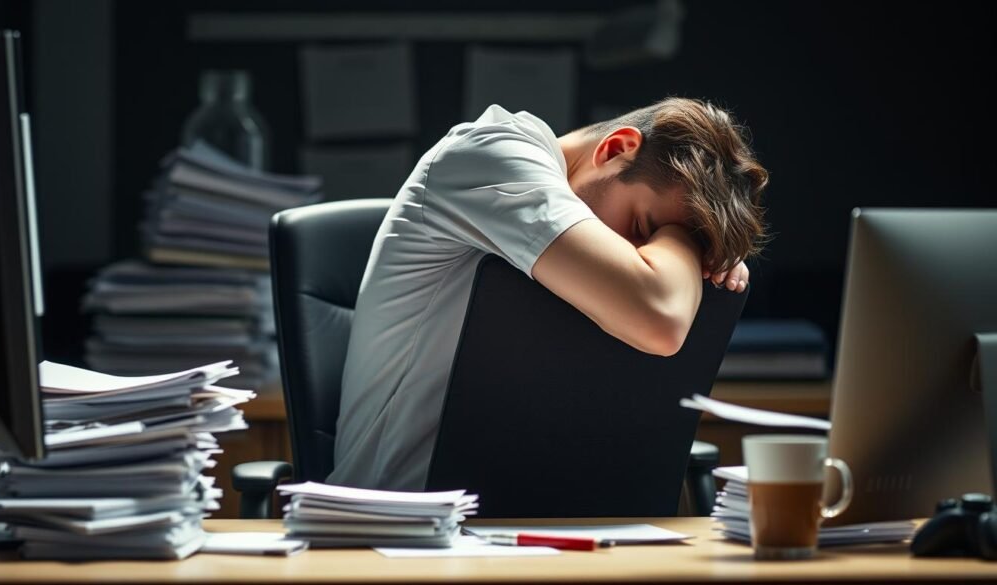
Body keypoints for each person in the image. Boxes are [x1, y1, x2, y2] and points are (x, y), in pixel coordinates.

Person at [328, 98, 769, 490]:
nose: (641, 255)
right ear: (616, 149)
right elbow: (660, 319)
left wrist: (690, 242)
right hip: (397, 514)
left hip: (528, 522)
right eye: (642, 229)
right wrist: (685, 244)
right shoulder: (491, 152)